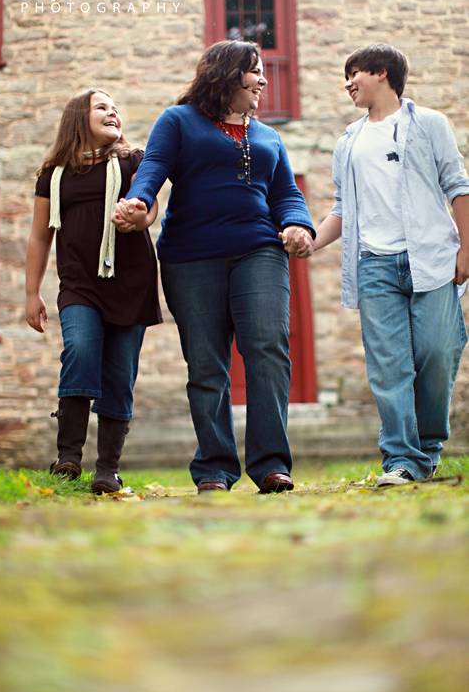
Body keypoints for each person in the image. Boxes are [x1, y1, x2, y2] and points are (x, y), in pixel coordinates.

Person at [113, 40, 315, 494]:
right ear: (227, 74)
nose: (264, 80)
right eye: (255, 71)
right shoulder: (179, 121)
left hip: (259, 250)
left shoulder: (269, 136)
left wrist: (299, 226)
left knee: (267, 348)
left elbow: (286, 194)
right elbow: (154, 168)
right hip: (191, 256)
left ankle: (270, 464)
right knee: (206, 364)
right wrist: (138, 199)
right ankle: (214, 467)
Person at [314, 43, 469, 486]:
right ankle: (401, 459)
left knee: (438, 353)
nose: (348, 83)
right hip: (374, 265)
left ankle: (429, 445)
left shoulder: (430, 124)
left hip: (432, 258)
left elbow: (458, 187)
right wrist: (311, 241)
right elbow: (342, 209)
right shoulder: (349, 140)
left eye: (355, 73)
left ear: (382, 73)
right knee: (389, 365)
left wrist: (466, 251)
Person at [25, 88, 161, 494]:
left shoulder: (132, 161)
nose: (112, 112)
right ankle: (68, 457)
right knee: (81, 349)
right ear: (77, 119)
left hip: (130, 282)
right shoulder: (54, 175)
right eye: (102, 106)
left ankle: (108, 470)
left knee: (119, 373)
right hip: (80, 284)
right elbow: (37, 238)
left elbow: (149, 206)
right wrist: (32, 293)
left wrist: (140, 217)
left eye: (116, 108)